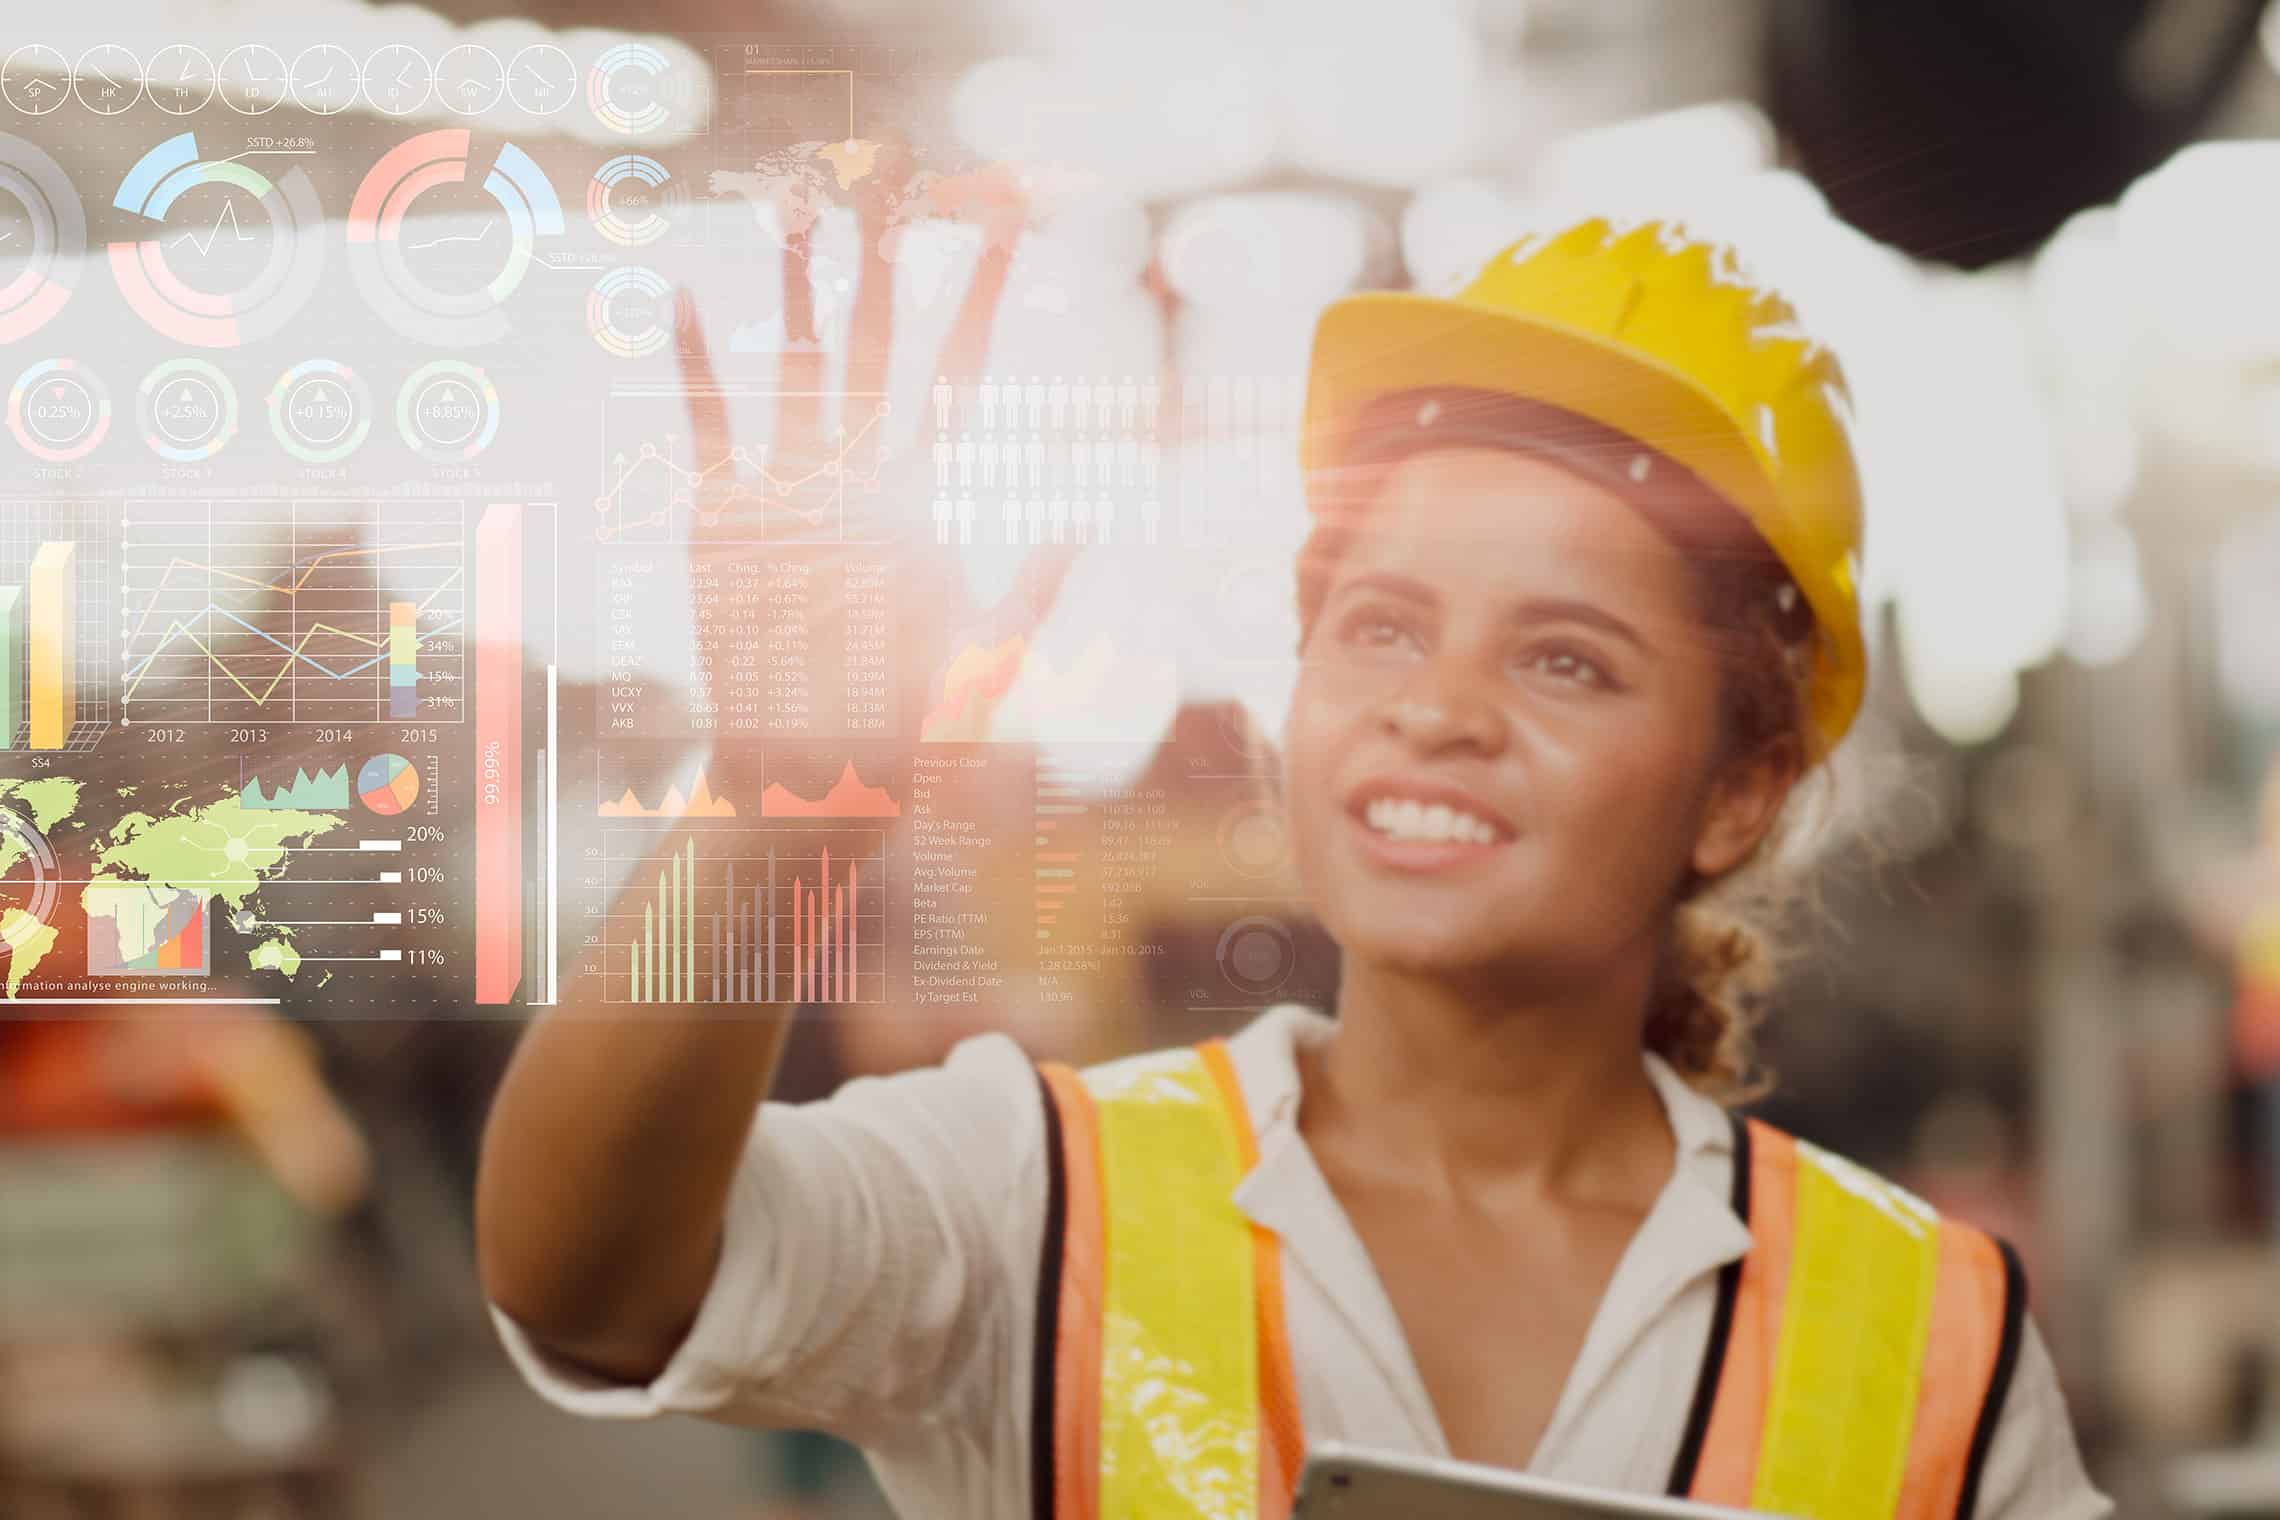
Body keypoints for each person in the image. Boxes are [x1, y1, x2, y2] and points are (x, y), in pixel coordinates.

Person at [477, 217, 2112, 1519]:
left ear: (1736, 794)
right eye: (1383, 628)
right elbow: (586, 1276)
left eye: (1564, 662)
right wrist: (778, 815)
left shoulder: (1929, 1341)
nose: (1437, 713)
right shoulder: (1034, 1206)